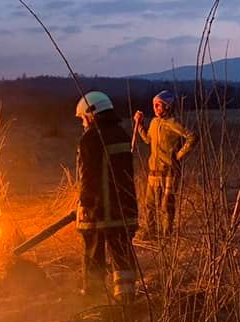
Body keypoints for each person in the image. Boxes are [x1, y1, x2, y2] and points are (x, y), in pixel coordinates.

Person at [74, 91, 138, 302]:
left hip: (99, 210)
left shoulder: (91, 138)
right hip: (125, 207)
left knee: (93, 252)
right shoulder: (121, 134)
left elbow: (88, 175)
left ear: (92, 114)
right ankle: (126, 297)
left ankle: (94, 296)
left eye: (84, 117)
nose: (83, 122)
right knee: (122, 251)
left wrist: (85, 202)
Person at [133, 90, 196, 237]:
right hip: (153, 172)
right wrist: (140, 124)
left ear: (167, 106)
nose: (155, 108)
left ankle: (166, 234)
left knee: (166, 205)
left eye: (158, 105)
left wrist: (178, 155)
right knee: (149, 204)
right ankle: (151, 231)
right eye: (154, 105)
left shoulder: (173, 123)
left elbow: (192, 136)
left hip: (169, 172)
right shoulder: (154, 122)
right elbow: (148, 140)